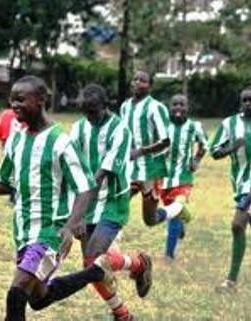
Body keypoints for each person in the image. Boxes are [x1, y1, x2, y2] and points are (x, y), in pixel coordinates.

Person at [0, 75, 120, 321]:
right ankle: (95, 272)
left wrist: (69, 226)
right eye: (12, 100)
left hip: (50, 233)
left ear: (41, 100)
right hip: (23, 233)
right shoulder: (16, 140)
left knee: (16, 293)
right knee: (39, 298)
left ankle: (95, 272)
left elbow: (85, 187)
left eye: (21, 99)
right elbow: (3, 184)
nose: (14, 105)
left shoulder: (60, 142)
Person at [70, 84, 152, 321]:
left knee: (97, 257)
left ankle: (138, 265)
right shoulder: (78, 128)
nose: (90, 118)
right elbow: (73, 169)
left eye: (93, 112)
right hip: (87, 200)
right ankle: (123, 310)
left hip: (112, 201)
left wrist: (77, 215)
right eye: (85, 112)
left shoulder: (120, 130)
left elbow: (100, 176)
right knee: (90, 267)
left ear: (106, 106)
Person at [120, 70, 190, 228]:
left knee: (150, 220)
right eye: (135, 79)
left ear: (150, 86)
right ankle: (110, 247)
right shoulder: (125, 106)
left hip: (151, 169)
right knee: (117, 204)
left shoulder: (155, 107)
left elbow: (165, 141)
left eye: (142, 80)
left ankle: (177, 208)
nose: (138, 82)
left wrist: (140, 151)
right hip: (130, 167)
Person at [211, 87, 251, 292]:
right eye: (245, 100)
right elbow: (215, 152)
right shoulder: (230, 123)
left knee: (237, 225)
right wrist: (232, 148)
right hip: (241, 182)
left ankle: (231, 282)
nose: (248, 104)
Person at [161, 94, 207, 260]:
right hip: (163, 178)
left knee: (173, 213)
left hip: (183, 177)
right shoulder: (163, 125)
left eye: (182, 105)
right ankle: (183, 220)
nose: (178, 108)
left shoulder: (194, 126)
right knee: (172, 213)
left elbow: (204, 144)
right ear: (169, 107)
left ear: (187, 107)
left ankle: (169, 254)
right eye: (175, 104)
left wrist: (196, 159)